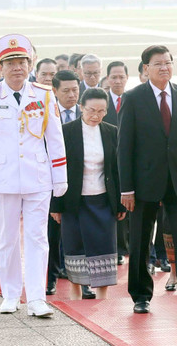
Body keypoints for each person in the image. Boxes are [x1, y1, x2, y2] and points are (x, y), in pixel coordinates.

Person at [0, 34, 67, 317]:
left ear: (30, 63)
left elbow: (55, 138)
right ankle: (11, 294)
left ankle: (36, 298)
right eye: (10, 63)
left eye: (22, 62)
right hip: (3, 178)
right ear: (0, 67)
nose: (17, 68)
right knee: (8, 237)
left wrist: (60, 176)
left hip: (37, 176)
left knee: (38, 238)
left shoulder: (44, 94)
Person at [118, 44, 177, 316]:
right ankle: (141, 296)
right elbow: (124, 147)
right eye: (158, 63)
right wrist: (126, 188)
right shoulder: (133, 98)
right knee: (141, 241)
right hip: (143, 184)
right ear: (145, 69)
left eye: (168, 62)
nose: (164, 67)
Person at [50, 88, 125, 298]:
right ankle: (76, 296)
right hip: (73, 201)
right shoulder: (66, 132)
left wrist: (119, 204)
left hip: (103, 200)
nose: (96, 116)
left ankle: (102, 297)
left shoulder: (111, 132)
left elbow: (117, 171)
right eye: (91, 110)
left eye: (102, 111)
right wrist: (55, 206)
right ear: (81, 107)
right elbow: (56, 170)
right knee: (75, 248)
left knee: (104, 248)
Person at [46, 70, 80, 294]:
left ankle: (77, 276)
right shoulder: (45, 113)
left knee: (78, 232)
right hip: (51, 182)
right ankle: (50, 277)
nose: (71, 95)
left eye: (75, 90)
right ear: (55, 91)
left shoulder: (88, 112)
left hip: (80, 183)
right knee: (51, 233)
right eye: (66, 90)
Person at [103, 60, 128, 263]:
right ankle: (116, 248)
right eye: (114, 77)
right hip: (107, 161)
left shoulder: (134, 100)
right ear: (108, 79)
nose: (118, 81)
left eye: (121, 77)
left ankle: (126, 246)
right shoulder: (102, 102)